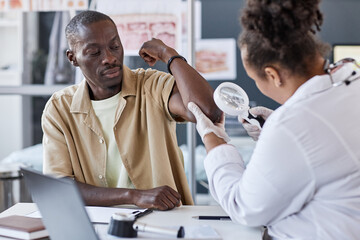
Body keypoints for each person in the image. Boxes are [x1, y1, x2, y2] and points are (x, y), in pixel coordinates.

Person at [187, 0, 360, 239]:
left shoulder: (294, 126)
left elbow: (245, 207)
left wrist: (214, 142)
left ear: (272, 74)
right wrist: (275, 129)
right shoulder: (351, 79)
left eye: (255, 78)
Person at [41, 10, 222, 210]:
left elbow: (207, 112)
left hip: (163, 222)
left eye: (115, 46)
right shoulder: (59, 108)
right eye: (94, 52)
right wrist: (133, 196)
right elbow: (60, 187)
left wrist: (168, 55)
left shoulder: (150, 86)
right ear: (73, 58)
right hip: (97, 225)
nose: (109, 58)